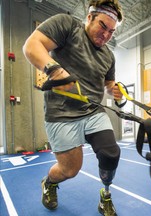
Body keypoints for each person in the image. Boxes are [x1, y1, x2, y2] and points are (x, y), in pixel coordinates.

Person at [23, 0, 123, 215]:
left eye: (111, 32)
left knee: (111, 154)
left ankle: (105, 195)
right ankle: (49, 182)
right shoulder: (67, 25)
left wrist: (115, 91)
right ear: (89, 17)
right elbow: (31, 46)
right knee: (70, 170)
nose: (106, 35)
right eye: (103, 26)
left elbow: (107, 86)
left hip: (93, 111)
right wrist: (55, 70)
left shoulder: (109, 55)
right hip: (61, 113)